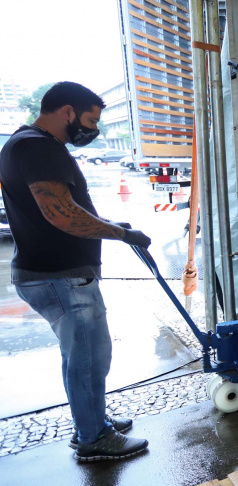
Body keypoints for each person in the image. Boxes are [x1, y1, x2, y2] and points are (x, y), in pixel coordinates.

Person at [0, 82, 152, 462]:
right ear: (67, 112)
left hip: (58, 273)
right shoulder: (37, 146)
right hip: (59, 276)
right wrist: (121, 234)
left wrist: (107, 222)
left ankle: (93, 419)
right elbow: (60, 214)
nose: (93, 129)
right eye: (90, 120)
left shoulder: (25, 144)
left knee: (90, 354)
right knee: (86, 358)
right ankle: (92, 437)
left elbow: (64, 208)